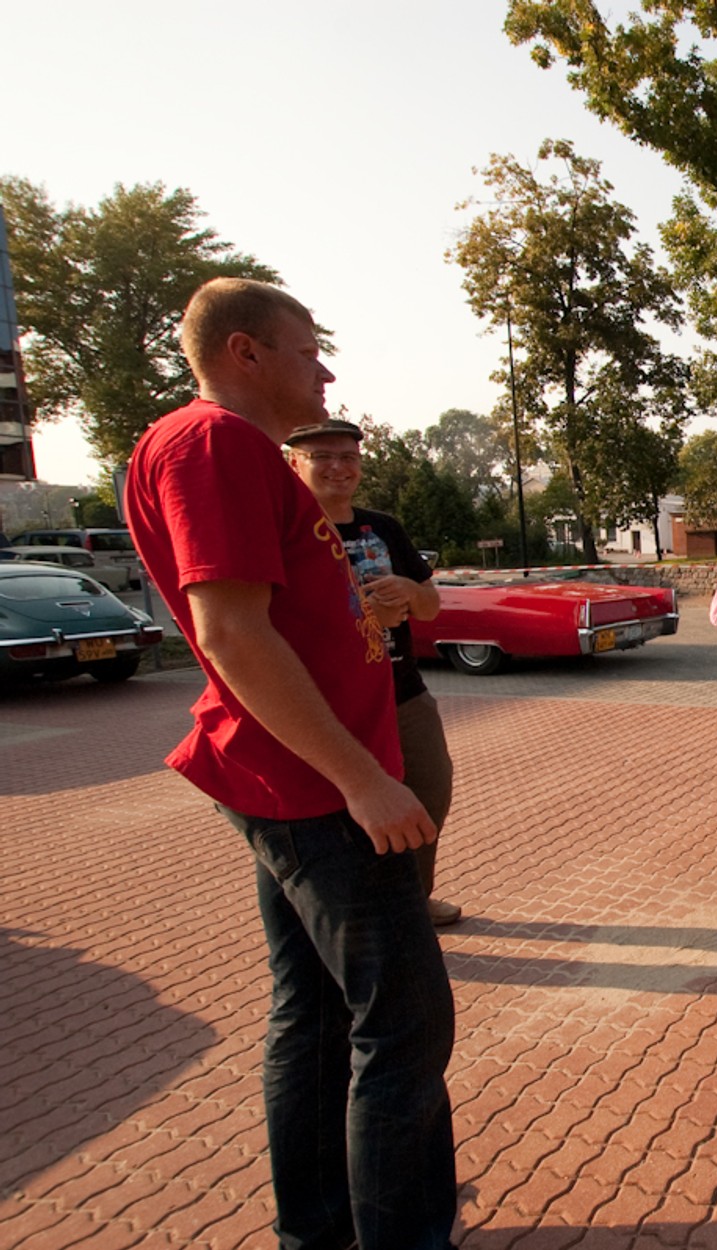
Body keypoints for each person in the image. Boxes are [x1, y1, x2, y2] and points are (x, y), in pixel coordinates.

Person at [122, 278, 455, 1249]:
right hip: (316, 790)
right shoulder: (212, 443)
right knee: (403, 1024)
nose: (326, 371)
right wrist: (361, 778)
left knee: (313, 1016)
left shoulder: (212, 448)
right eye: (309, 351)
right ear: (246, 352)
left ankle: (322, 1226)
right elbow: (230, 631)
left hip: (293, 778)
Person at [287, 417, 462, 926]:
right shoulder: (287, 531)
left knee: (430, 792)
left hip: (402, 693)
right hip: (329, 703)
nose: (338, 468)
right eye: (322, 457)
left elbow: (429, 606)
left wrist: (408, 592)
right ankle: (362, 920)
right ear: (294, 463)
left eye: (348, 457)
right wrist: (363, 618)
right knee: (340, 816)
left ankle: (414, 903)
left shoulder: (383, 528)